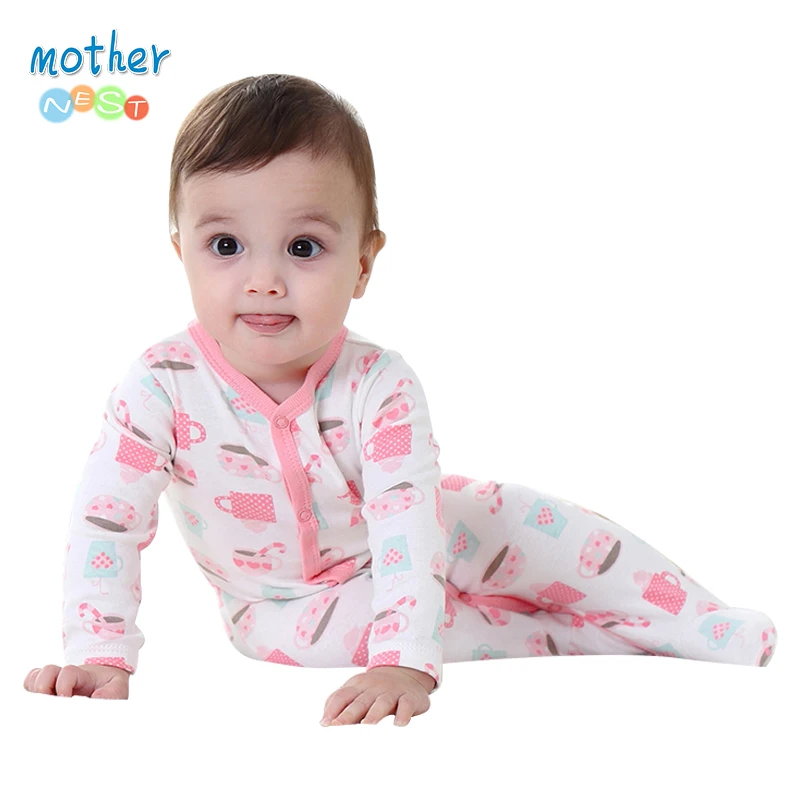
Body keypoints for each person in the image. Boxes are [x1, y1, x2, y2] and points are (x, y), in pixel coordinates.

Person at [23, 74, 778, 726]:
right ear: (181, 251)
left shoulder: (379, 383)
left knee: (538, 529)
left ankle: (701, 621)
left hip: (420, 532)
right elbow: (107, 522)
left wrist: (403, 661)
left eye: (303, 247)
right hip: (286, 609)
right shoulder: (161, 385)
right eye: (226, 246)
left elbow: (407, 519)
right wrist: (99, 652)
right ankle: (605, 643)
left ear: (362, 262)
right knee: (433, 631)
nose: (264, 281)